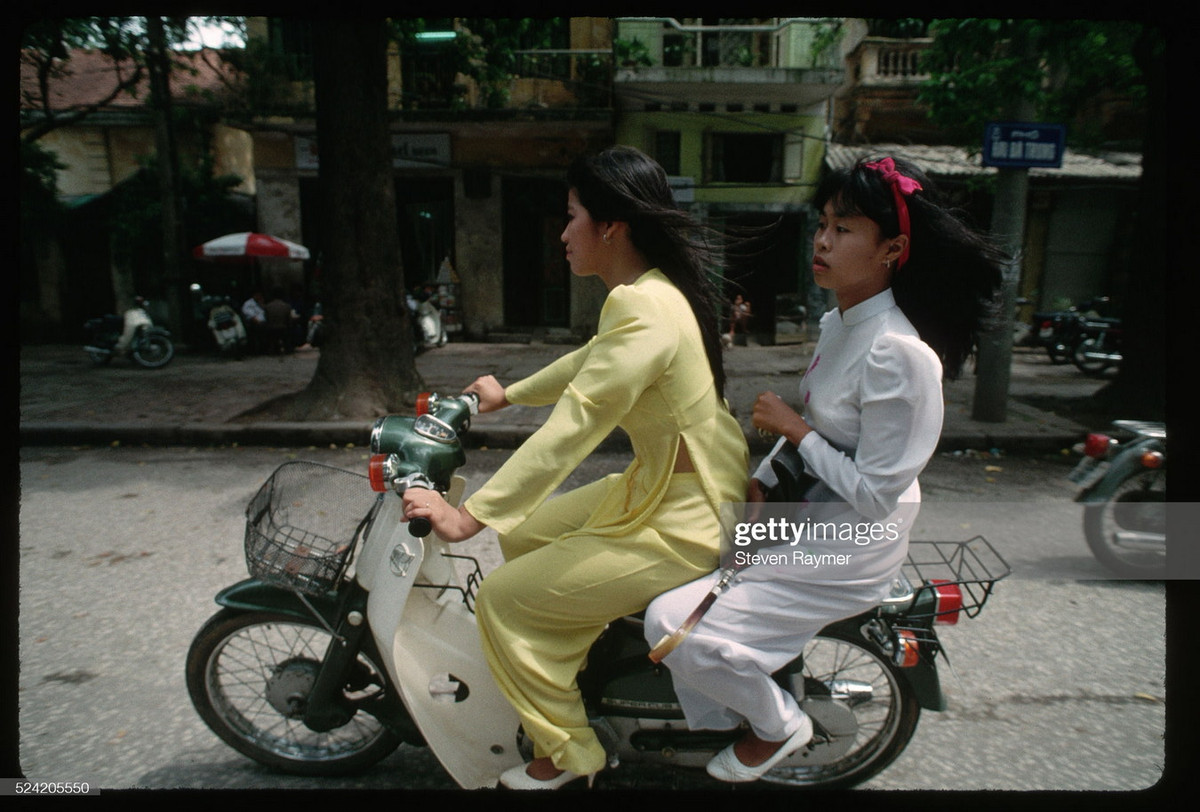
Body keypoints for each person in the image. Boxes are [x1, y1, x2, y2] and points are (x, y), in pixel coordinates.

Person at [643, 155, 1004, 782]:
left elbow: (873, 493)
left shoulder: (901, 355)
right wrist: (764, 478)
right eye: (823, 223)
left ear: (892, 248)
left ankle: (779, 725)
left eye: (845, 228)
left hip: (850, 542)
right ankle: (718, 709)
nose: (822, 239)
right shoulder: (841, 322)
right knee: (669, 553)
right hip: (803, 516)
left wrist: (794, 431)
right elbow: (824, 431)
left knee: (671, 623)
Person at [400, 146, 750, 789]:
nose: (562, 234)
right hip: (664, 489)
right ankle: (578, 665)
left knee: (504, 600)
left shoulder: (644, 304)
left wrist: (466, 516)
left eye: (571, 216)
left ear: (610, 225)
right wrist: (509, 393)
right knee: (525, 534)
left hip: (689, 515)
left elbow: (579, 421)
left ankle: (571, 755)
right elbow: (592, 361)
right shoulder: (649, 294)